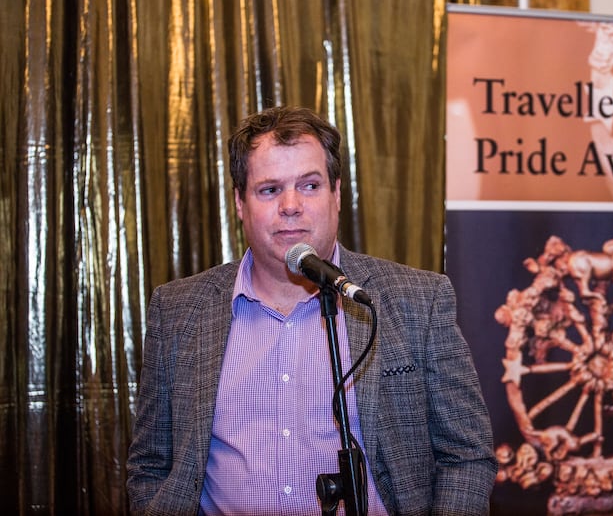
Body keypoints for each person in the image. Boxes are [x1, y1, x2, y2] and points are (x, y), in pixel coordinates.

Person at [126, 106, 497, 516]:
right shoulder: (178, 309)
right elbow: (150, 464)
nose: (291, 205)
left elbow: (466, 455)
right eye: (269, 189)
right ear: (239, 202)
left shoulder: (416, 300)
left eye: (309, 185)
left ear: (336, 194)